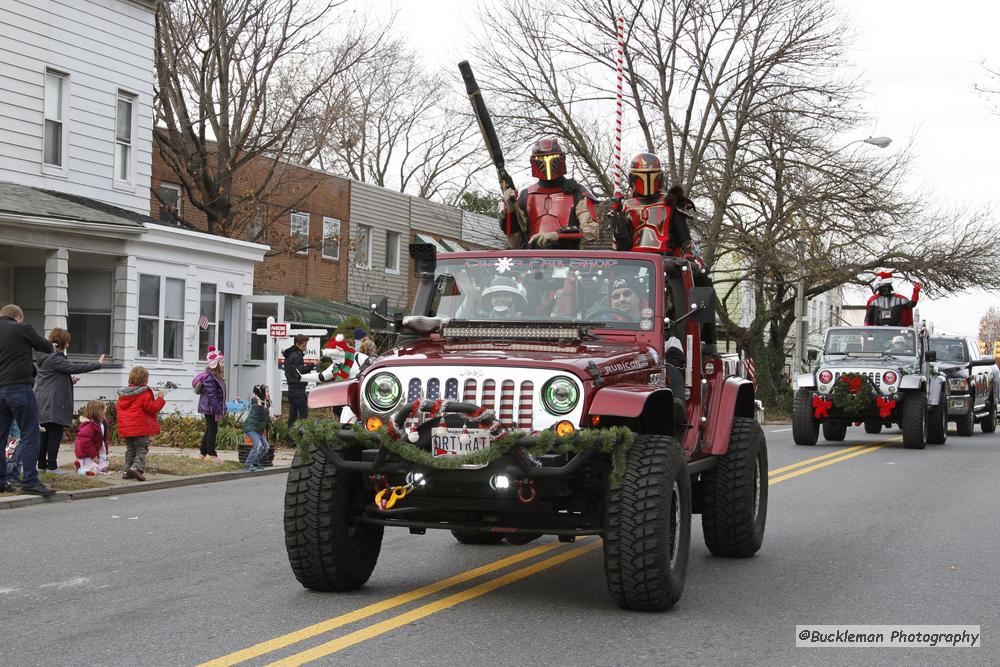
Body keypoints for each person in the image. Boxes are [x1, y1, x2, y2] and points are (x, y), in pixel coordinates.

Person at [608, 154, 717, 352]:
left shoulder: (669, 203)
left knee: (702, 275)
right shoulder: (625, 206)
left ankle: (707, 339)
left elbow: (683, 234)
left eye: (651, 175)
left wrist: (689, 254)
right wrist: (617, 221)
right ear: (633, 178)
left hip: (667, 257)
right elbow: (623, 243)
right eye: (642, 176)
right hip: (635, 260)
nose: (647, 181)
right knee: (612, 284)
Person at [500, 137, 599, 249]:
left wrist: (558, 235)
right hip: (533, 259)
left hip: (568, 259)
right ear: (534, 161)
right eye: (541, 158)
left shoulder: (577, 192)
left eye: (553, 157)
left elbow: (591, 231)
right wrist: (510, 211)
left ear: (561, 158)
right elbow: (515, 242)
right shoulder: (526, 195)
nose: (547, 162)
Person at [0, 303, 56, 495]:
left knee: (1, 437)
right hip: (19, 388)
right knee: (30, 434)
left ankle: (1, 480)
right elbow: (47, 347)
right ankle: (30, 481)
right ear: (17, 317)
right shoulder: (22, 328)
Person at [34, 327, 104, 471]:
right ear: (64, 343)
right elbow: (74, 367)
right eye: (68, 342)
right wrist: (98, 364)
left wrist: (68, 381)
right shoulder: (55, 358)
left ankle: (41, 465)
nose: (69, 345)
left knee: (45, 435)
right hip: (53, 403)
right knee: (55, 434)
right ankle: (52, 466)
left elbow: (50, 379)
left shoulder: (46, 357)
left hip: (43, 401)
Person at [116, 366, 166, 481]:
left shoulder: (123, 395)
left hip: (127, 429)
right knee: (141, 449)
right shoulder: (144, 394)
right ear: (144, 380)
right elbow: (152, 408)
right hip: (140, 428)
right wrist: (160, 398)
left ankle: (126, 470)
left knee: (130, 449)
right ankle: (136, 468)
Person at [192, 346, 226, 462]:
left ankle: (203, 452)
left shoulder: (216, 376)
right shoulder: (211, 378)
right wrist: (218, 410)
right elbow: (212, 396)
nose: (223, 364)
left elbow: (219, 395)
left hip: (211, 407)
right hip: (210, 407)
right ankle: (211, 454)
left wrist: (222, 407)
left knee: (210, 429)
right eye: (221, 362)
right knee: (212, 429)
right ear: (215, 364)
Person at [74, 400, 110, 476]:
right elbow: (86, 443)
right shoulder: (88, 425)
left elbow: (105, 439)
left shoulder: (103, 423)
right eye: (103, 410)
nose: (105, 411)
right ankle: (82, 470)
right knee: (94, 467)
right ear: (97, 412)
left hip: (98, 450)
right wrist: (93, 456)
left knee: (103, 466)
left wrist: (106, 453)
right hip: (87, 453)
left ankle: (82, 466)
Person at [283, 335, 312, 427]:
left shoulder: (289, 354)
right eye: (303, 345)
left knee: (293, 415)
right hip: (298, 388)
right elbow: (301, 370)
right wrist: (312, 365)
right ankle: (302, 438)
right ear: (297, 344)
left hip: (291, 388)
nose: (305, 347)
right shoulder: (297, 355)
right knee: (303, 415)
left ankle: (291, 438)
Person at [243, 384, 271, 471]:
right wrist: (258, 401)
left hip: (259, 430)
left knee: (266, 447)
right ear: (261, 393)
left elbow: (265, 414)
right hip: (251, 428)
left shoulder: (264, 403)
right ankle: (248, 463)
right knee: (258, 445)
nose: (269, 393)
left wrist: (271, 418)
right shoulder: (256, 403)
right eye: (267, 391)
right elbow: (260, 411)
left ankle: (255, 462)